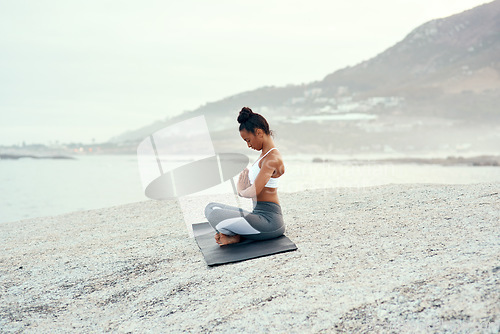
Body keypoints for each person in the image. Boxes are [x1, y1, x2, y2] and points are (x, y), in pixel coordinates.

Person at [204, 107, 286, 246]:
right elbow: (256, 187)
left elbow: (255, 191)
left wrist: (241, 191)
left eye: (248, 140)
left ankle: (235, 235)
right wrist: (247, 186)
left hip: (270, 222)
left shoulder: (272, 159)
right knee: (211, 207)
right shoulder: (264, 156)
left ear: (259, 132)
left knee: (215, 215)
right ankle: (236, 236)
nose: (248, 145)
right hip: (258, 216)